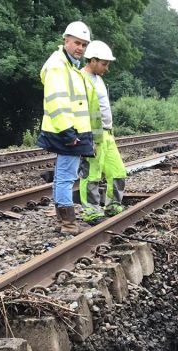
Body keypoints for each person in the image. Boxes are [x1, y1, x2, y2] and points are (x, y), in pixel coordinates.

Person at [38, 21, 95, 234]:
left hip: (72, 131)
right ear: (66, 41)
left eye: (84, 44)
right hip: (68, 132)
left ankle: (64, 221)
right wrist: (68, 133)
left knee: (64, 175)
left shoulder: (69, 66)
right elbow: (56, 101)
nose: (80, 48)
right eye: (77, 43)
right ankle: (68, 223)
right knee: (66, 176)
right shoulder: (58, 66)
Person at [78, 40, 128, 223]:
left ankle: (113, 205)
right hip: (91, 134)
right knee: (92, 173)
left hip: (107, 133)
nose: (106, 68)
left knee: (118, 171)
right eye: (104, 64)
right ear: (92, 60)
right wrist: (85, 136)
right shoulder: (80, 78)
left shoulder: (98, 79)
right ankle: (91, 212)